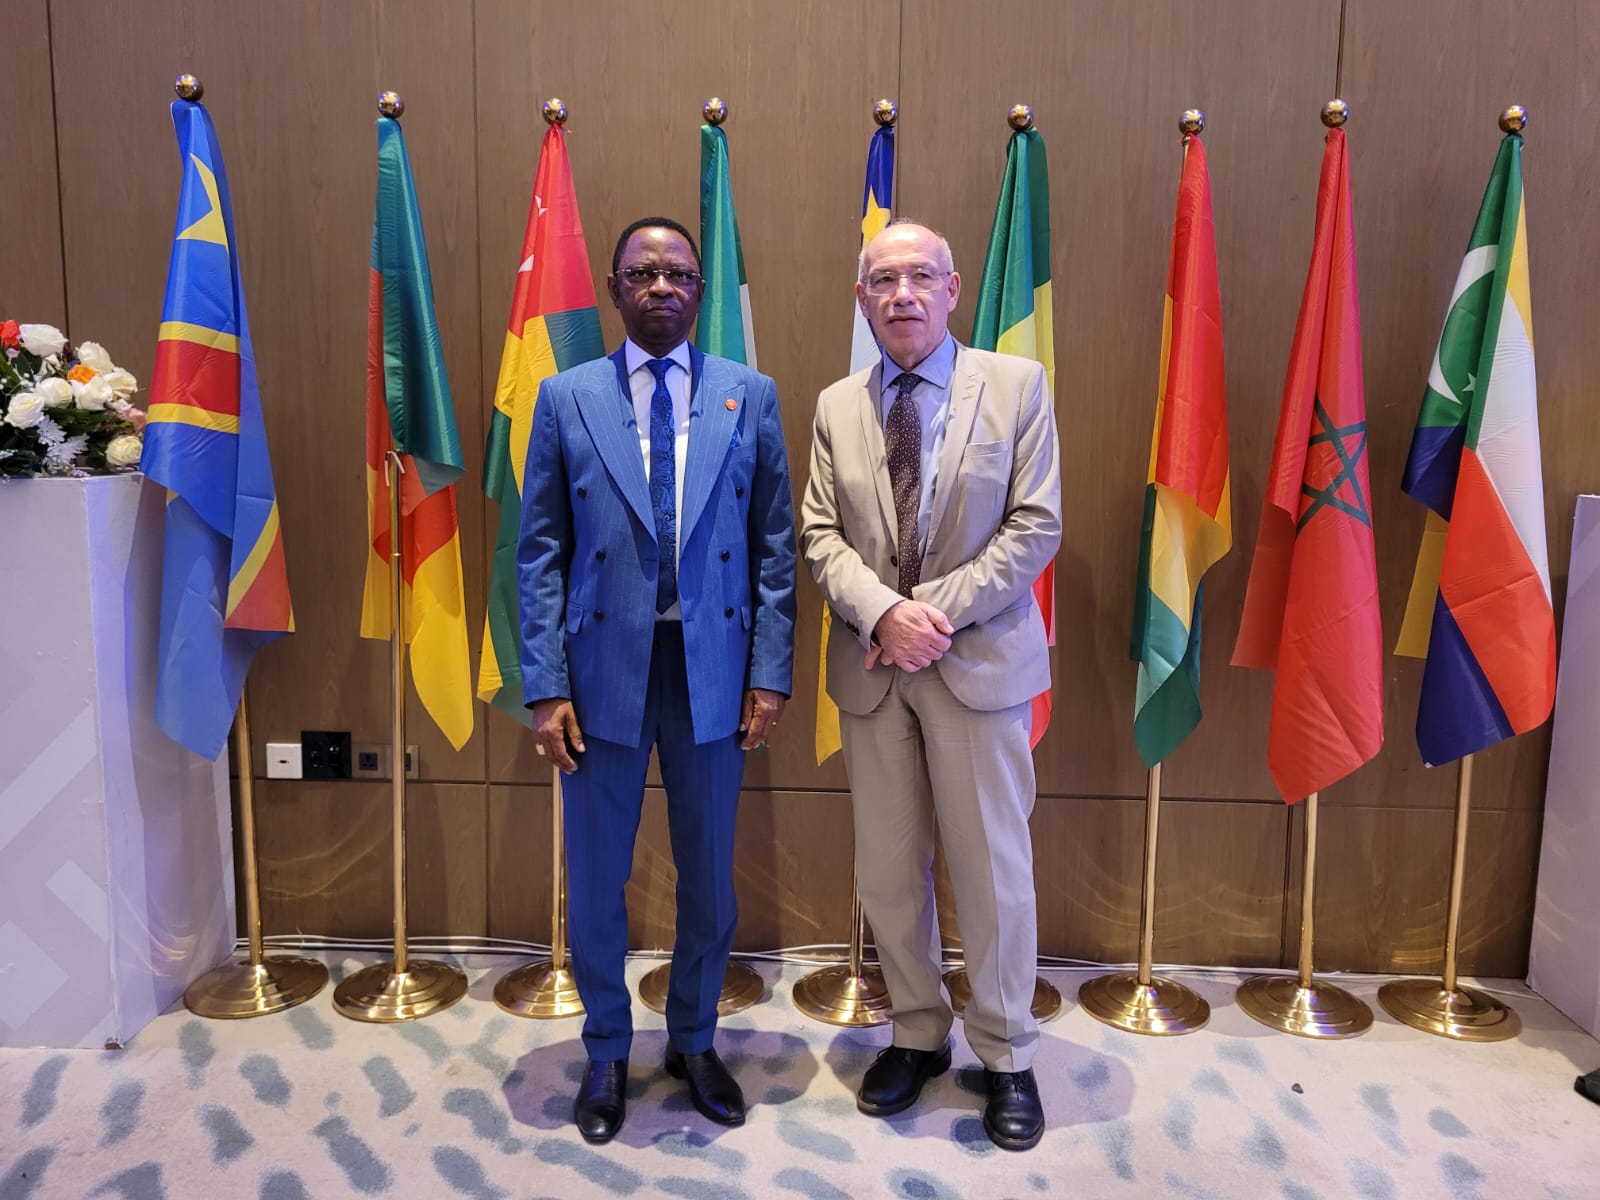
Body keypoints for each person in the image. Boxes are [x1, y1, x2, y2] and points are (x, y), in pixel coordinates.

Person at [518, 216, 796, 1144]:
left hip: (712, 668)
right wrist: (545, 685)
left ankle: (694, 1039)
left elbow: (775, 548)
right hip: (600, 672)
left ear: (700, 290)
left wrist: (769, 673)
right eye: (642, 273)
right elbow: (540, 552)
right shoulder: (566, 398)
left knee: (708, 877)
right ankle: (605, 1047)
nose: (662, 286)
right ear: (614, 289)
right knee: (598, 877)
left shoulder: (749, 395)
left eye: (678, 272)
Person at [800, 219, 1061, 1151]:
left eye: (920, 277)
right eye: (883, 280)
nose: (902, 294)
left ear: (953, 290)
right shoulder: (837, 404)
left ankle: (1006, 1051)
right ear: (862, 298)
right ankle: (916, 1032)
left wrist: (924, 616)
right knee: (887, 868)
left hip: (975, 665)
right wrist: (882, 614)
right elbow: (819, 533)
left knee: (992, 871)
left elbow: (1034, 525)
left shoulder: (1018, 386)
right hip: (874, 671)